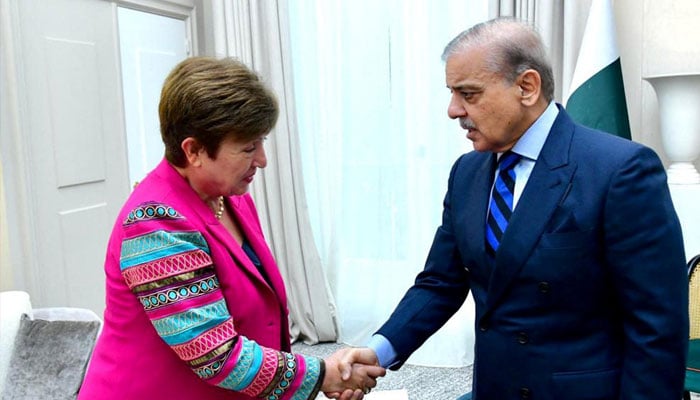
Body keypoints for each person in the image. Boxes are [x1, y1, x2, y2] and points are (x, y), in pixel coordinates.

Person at [362, 17, 689, 399]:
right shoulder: (466, 173)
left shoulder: (620, 170)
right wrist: (377, 351)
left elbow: (656, 326)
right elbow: (441, 283)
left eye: (468, 94)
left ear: (527, 87)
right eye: (453, 93)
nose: (453, 110)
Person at [79, 57, 385, 400]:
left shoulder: (232, 198)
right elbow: (215, 355)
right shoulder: (154, 224)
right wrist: (320, 376)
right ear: (194, 150)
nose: (262, 159)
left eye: (262, 141)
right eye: (248, 147)